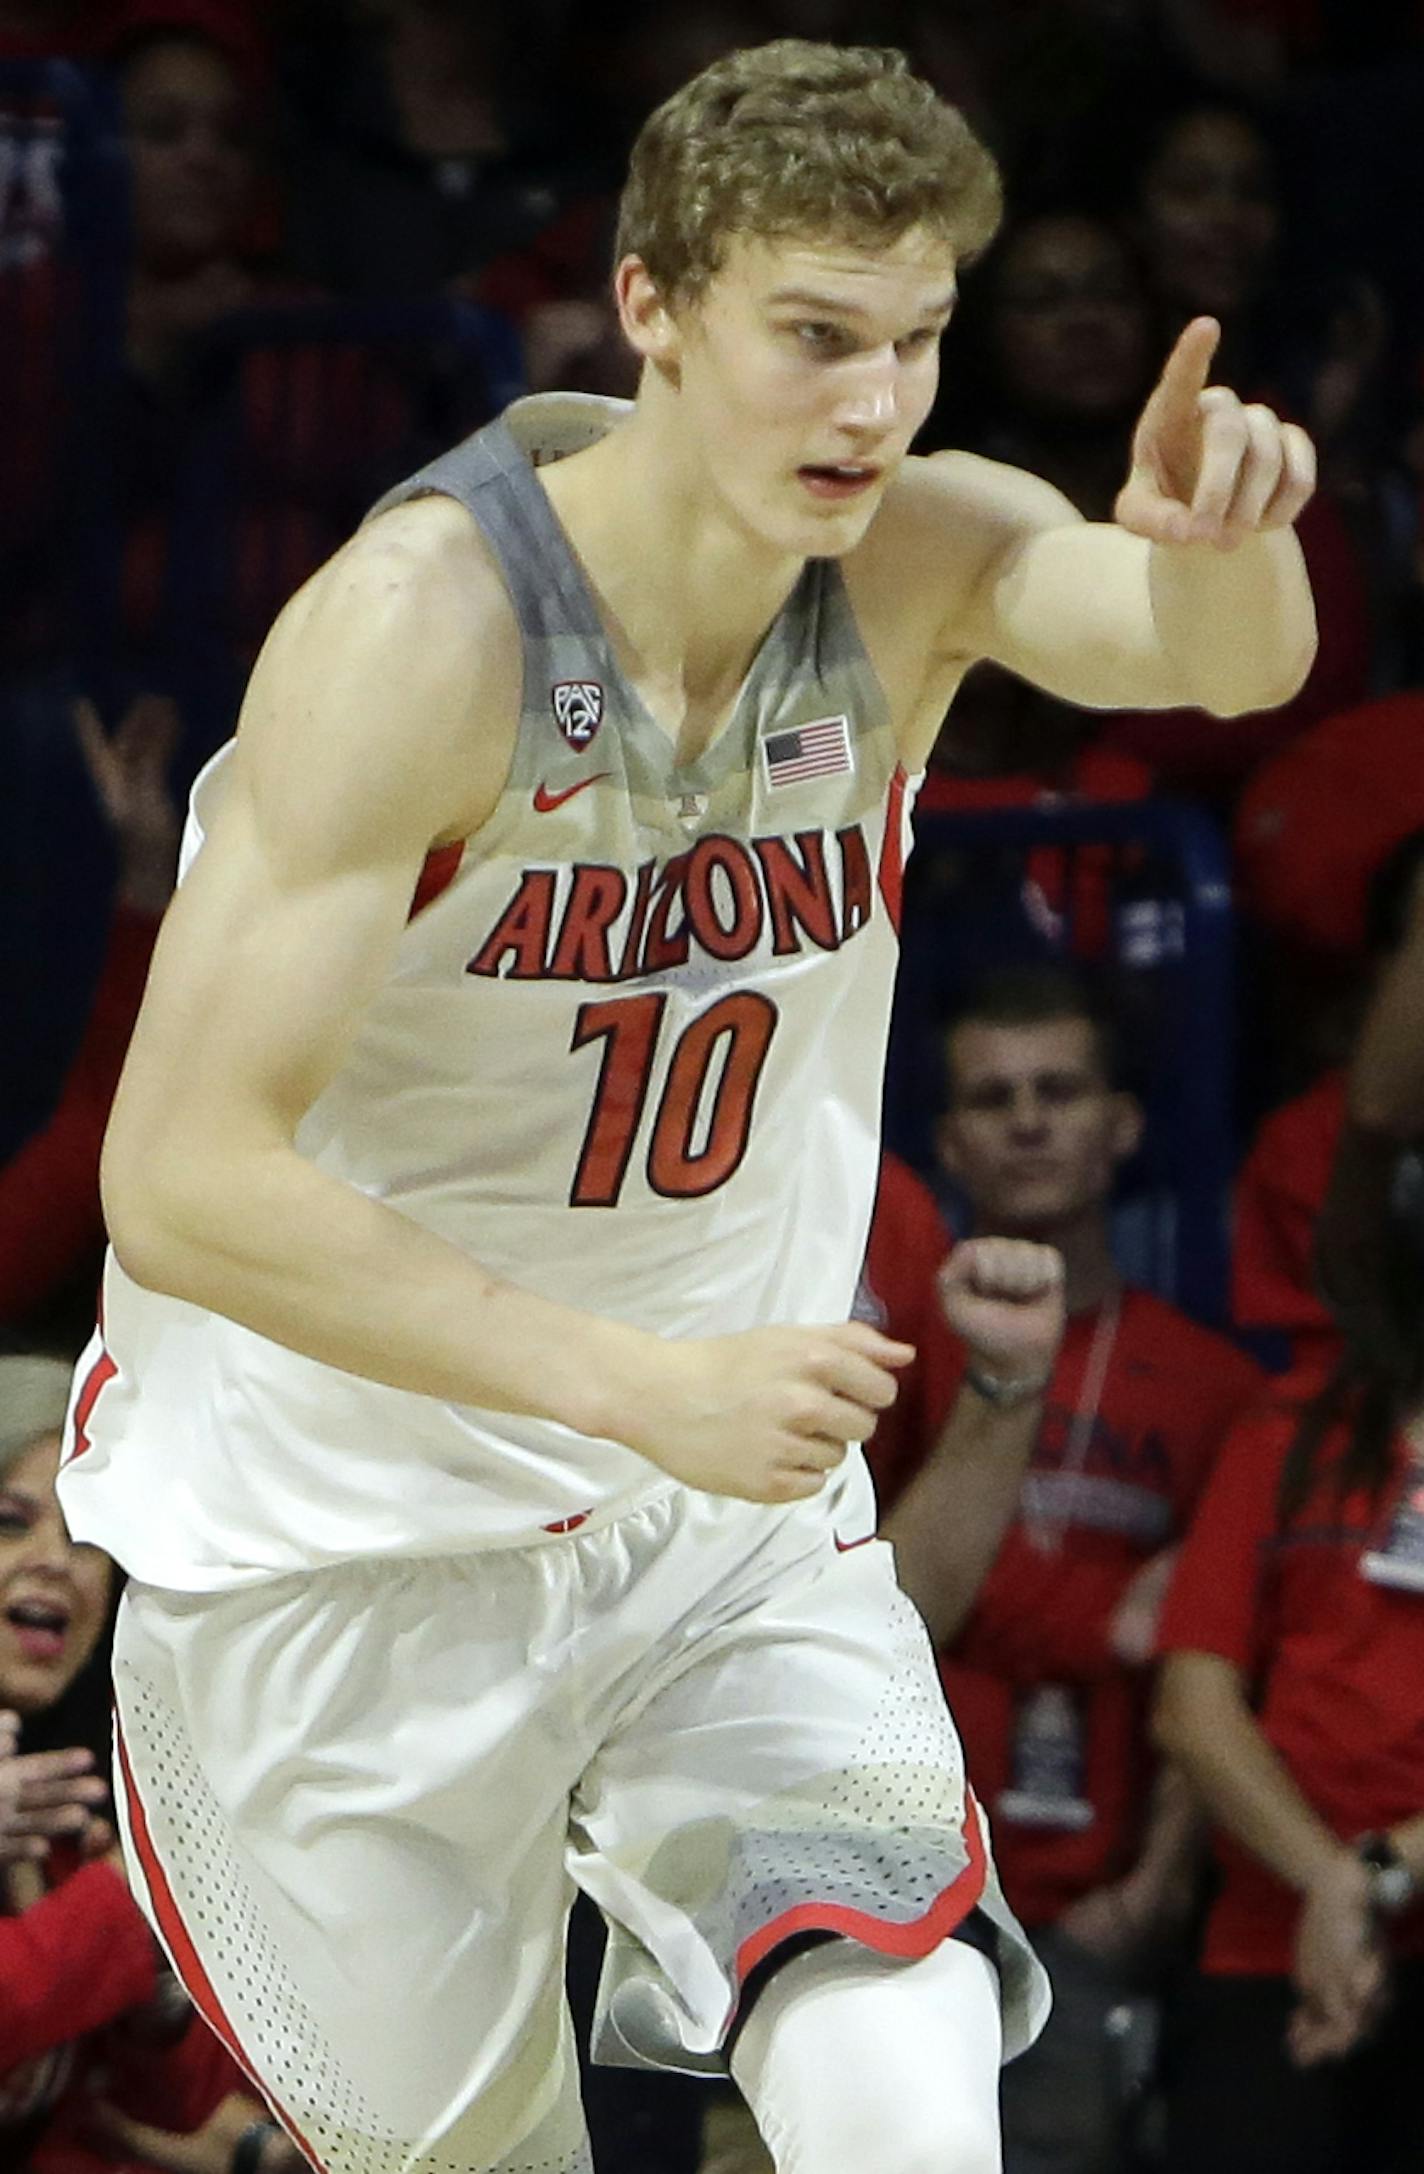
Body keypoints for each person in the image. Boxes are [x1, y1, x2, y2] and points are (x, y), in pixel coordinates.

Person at [57, 39, 1318, 2174]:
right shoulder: (415, 630)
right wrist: (631, 1381)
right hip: (328, 1539)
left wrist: (1227, 544)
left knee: (911, 2089)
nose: (872, 403)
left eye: (915, 339)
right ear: (649, 305)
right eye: (812, 336)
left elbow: (1213, 657)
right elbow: (177, 1178)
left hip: (714, 1520)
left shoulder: (918, 551)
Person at [873, 966, 1264, 2173]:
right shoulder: (888, 1354)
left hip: (1093, 1899)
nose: (1029, 1119)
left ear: (1122, 1125)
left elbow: (1217, 1666)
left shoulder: (1212, 1384)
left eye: (1060, 1088)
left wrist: (1154, 1886)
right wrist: (1105, 1613)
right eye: (993, 1099)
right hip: (898, 1878)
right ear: (946, 1142)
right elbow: (872, 1595)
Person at [1155, 1146, 1424, 2174]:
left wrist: (1374, 1875)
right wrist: (1331, 1882)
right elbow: (1190, 1701)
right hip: (1270, 1947)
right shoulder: (1289, 1429)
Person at [0, 1351, 300, 2174]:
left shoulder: (63, 1794)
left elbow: (158, 2098)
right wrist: (132, 1901)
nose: (55, 1560)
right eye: (10, 1522)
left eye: (86, 1535)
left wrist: (164, 1975)